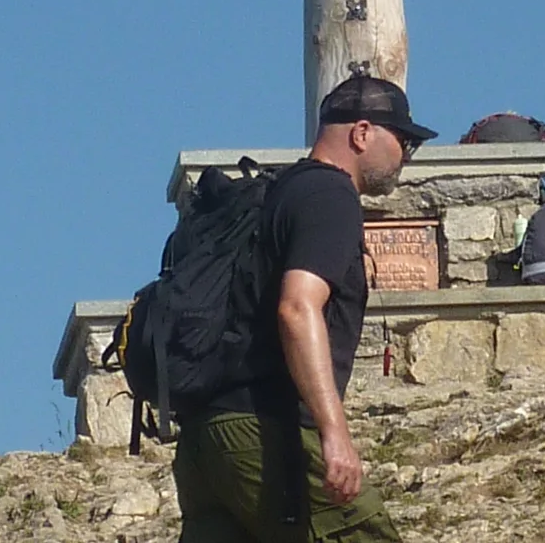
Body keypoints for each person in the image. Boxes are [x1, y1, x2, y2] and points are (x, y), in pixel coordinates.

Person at [172, 74, 437, 543]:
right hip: (266, 432)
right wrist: (334, 432)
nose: (405, 157)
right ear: (361, 133)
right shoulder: (330, 195)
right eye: (403, 141)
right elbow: (298, 308)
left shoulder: (279, 191)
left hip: (203, 443)